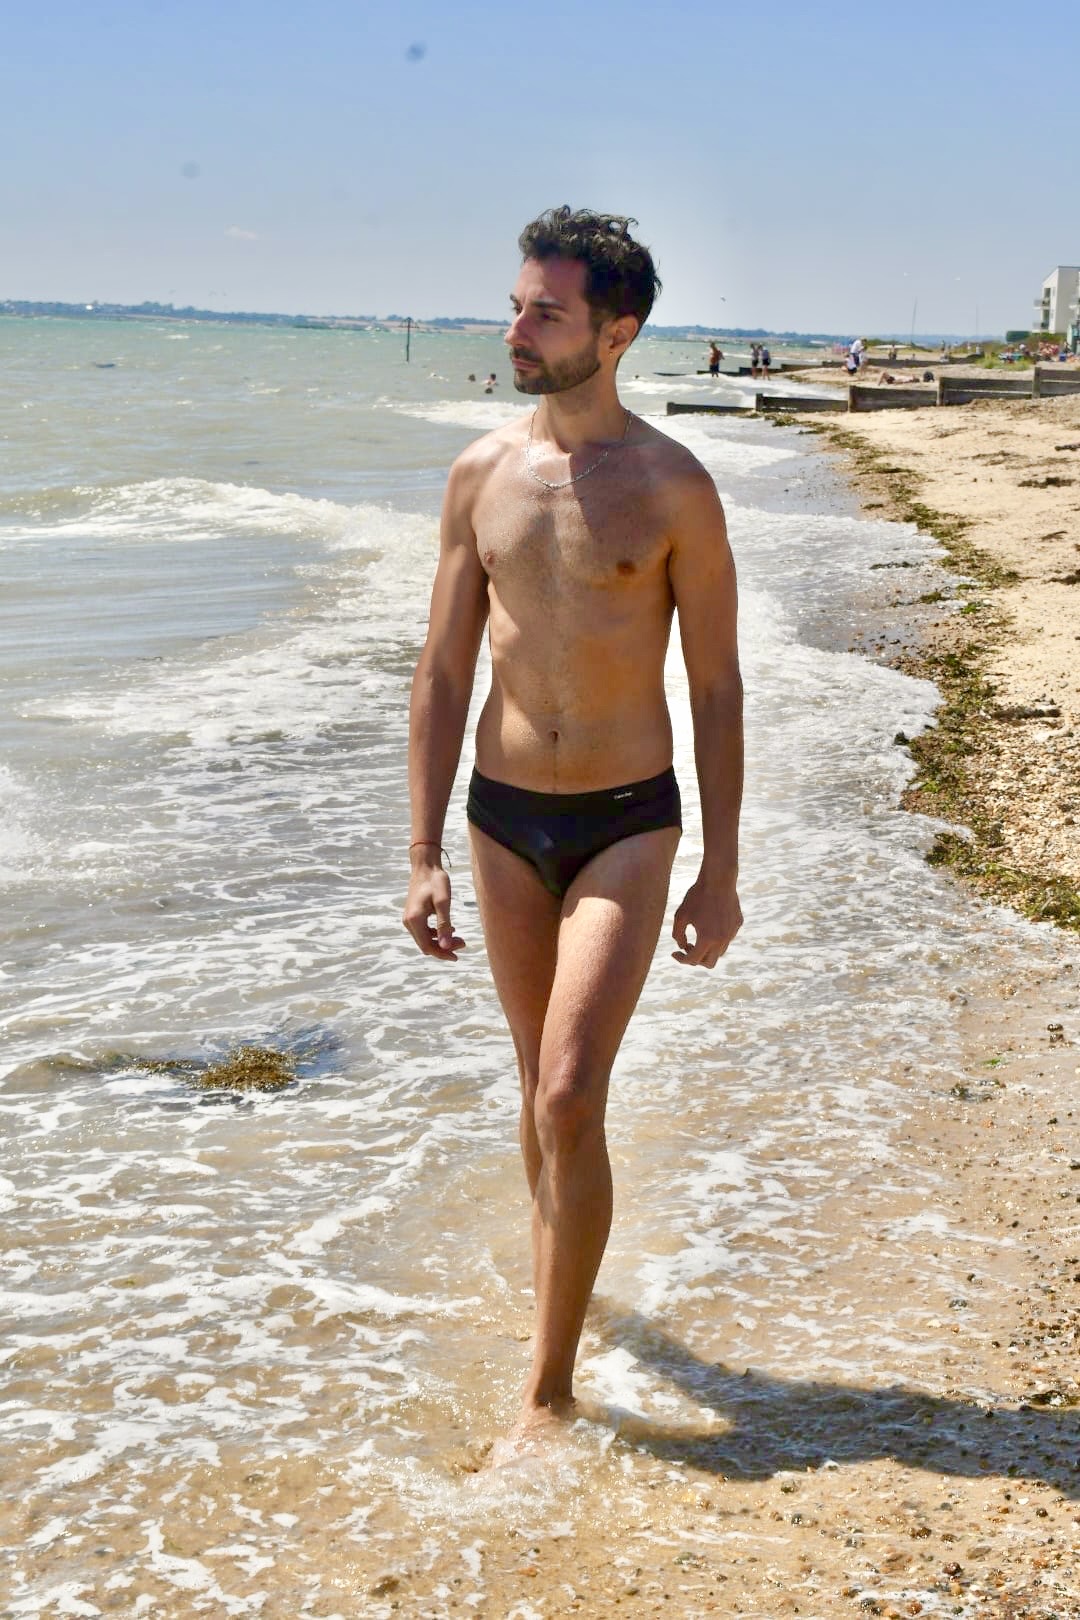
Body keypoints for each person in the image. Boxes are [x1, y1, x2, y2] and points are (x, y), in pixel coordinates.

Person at [403, 206, 743, 1449]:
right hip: (501, 822)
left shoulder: (673, 487)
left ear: (616, 333)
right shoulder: (480, 475)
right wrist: (421, 852)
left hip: (625, 821)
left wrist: (721, 867)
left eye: (545, 313)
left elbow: (716, 684)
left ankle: (544, 1396)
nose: (516, 330)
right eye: (517, 306)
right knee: (535, 1089)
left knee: (565, 1092)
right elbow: (443, 671)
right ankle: (563, 1290)